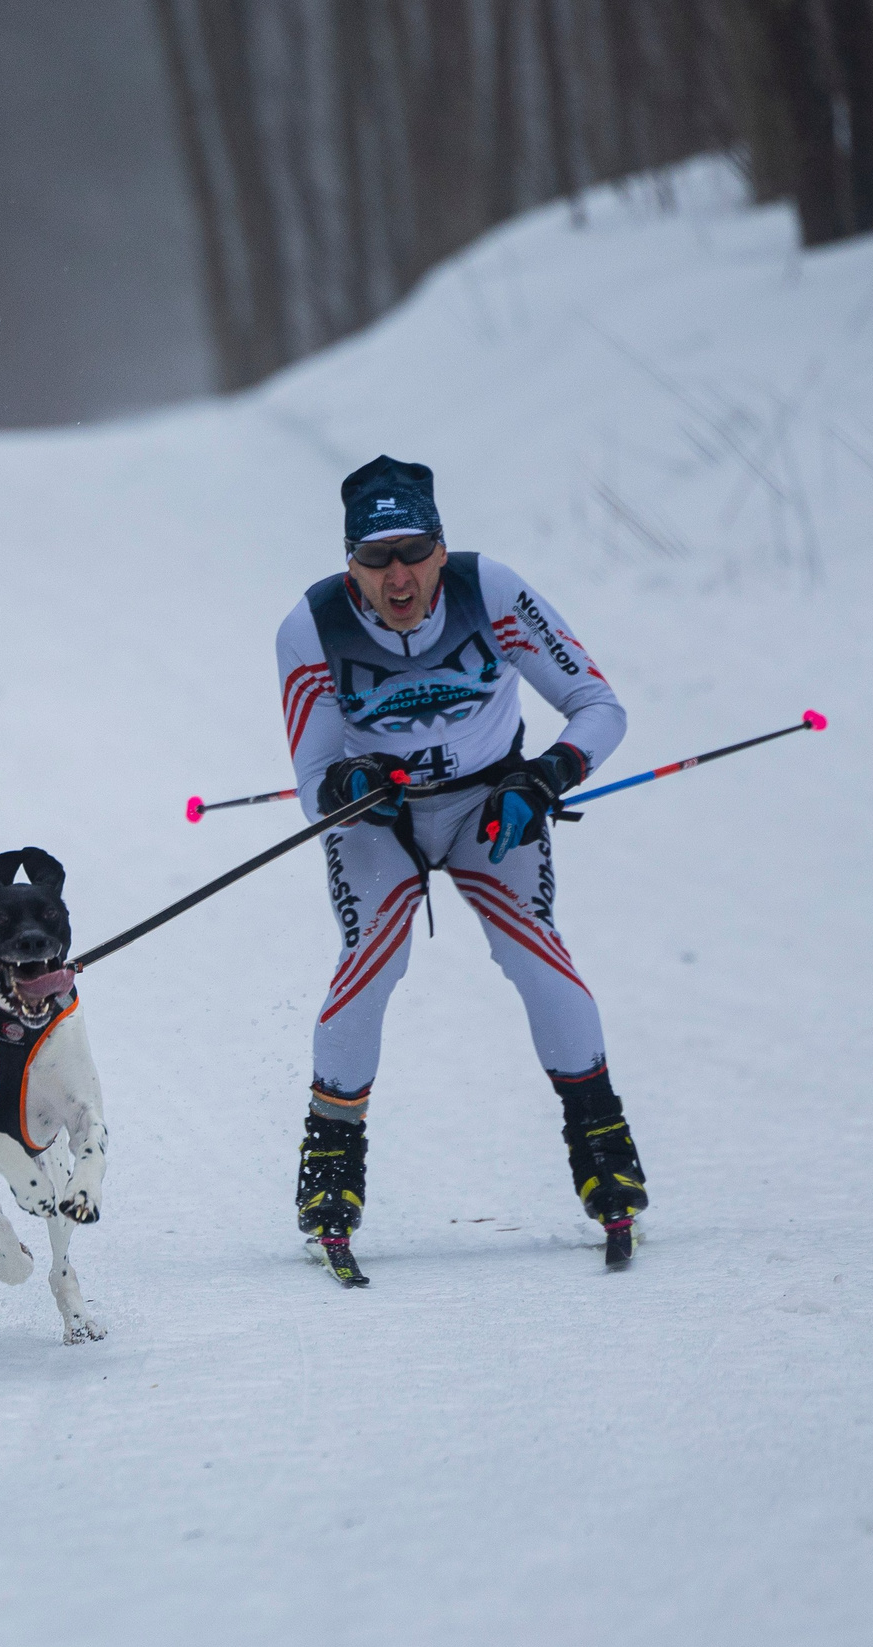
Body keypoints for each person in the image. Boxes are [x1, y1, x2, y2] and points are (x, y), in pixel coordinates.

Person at [275, 455, 647, 1280]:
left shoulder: (494, 592)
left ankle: (604, 1152)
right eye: (375, 559)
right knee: (374, 958)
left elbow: (600, 707)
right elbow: (313, 784)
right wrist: (350, 785)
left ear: (442, 548)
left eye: (413, 551)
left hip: (492, 807)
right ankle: (329, 1176)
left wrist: (547, 775)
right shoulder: (311, 626)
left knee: (535, 950)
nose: (397, 576)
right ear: (351, 564)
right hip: (382, 820)